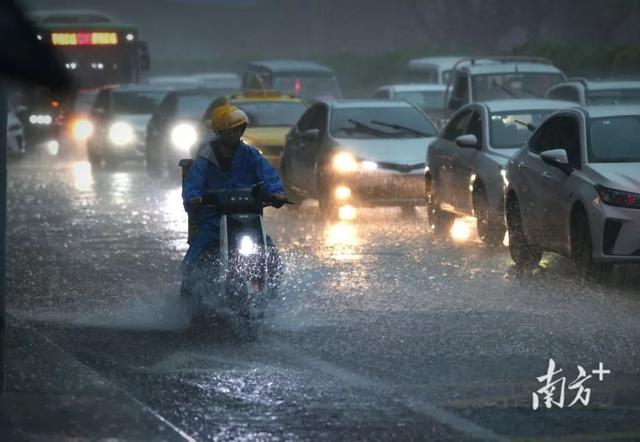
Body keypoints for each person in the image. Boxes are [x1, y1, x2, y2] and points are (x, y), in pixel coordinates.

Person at [181, 104, 287, 292]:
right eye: (230, 130)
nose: (234, 133)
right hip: (213, 220)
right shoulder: (205, 157)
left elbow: (269, 176)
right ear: (220, 131)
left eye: (238, 129)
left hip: (248, 218)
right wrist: (194, 198)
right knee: (192, 259)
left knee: (270, 253)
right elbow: (193, 184)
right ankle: (188, 295)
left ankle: (273, 293)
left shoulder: (251, 155)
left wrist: (276, 193)